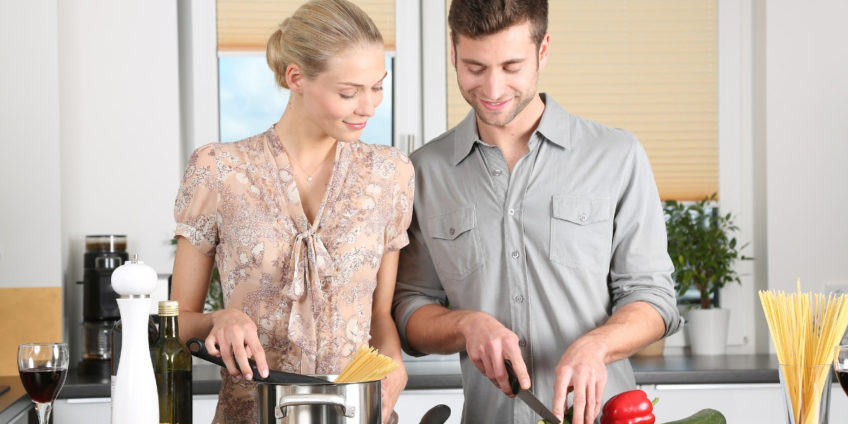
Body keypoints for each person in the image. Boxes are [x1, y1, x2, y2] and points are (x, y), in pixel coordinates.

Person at [392, 1, 682, 423]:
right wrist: (466, 325)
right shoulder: (425, 172)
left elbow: (654, 298)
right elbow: (409, 310)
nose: (492, 90)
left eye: (511, 67)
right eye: (475, 68)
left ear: (543, 50)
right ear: (452, 53)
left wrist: (598, 344)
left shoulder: (616, 156)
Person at [171, 1, 413, 422]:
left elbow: (379, 315)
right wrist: (220, 319)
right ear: (296, 77)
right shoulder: (219, 170)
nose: (369, 107)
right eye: (349, 92)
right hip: (251, 415)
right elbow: (175, 324)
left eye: (378, 86)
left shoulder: (391, 174)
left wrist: (393, 366)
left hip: (358, 415)